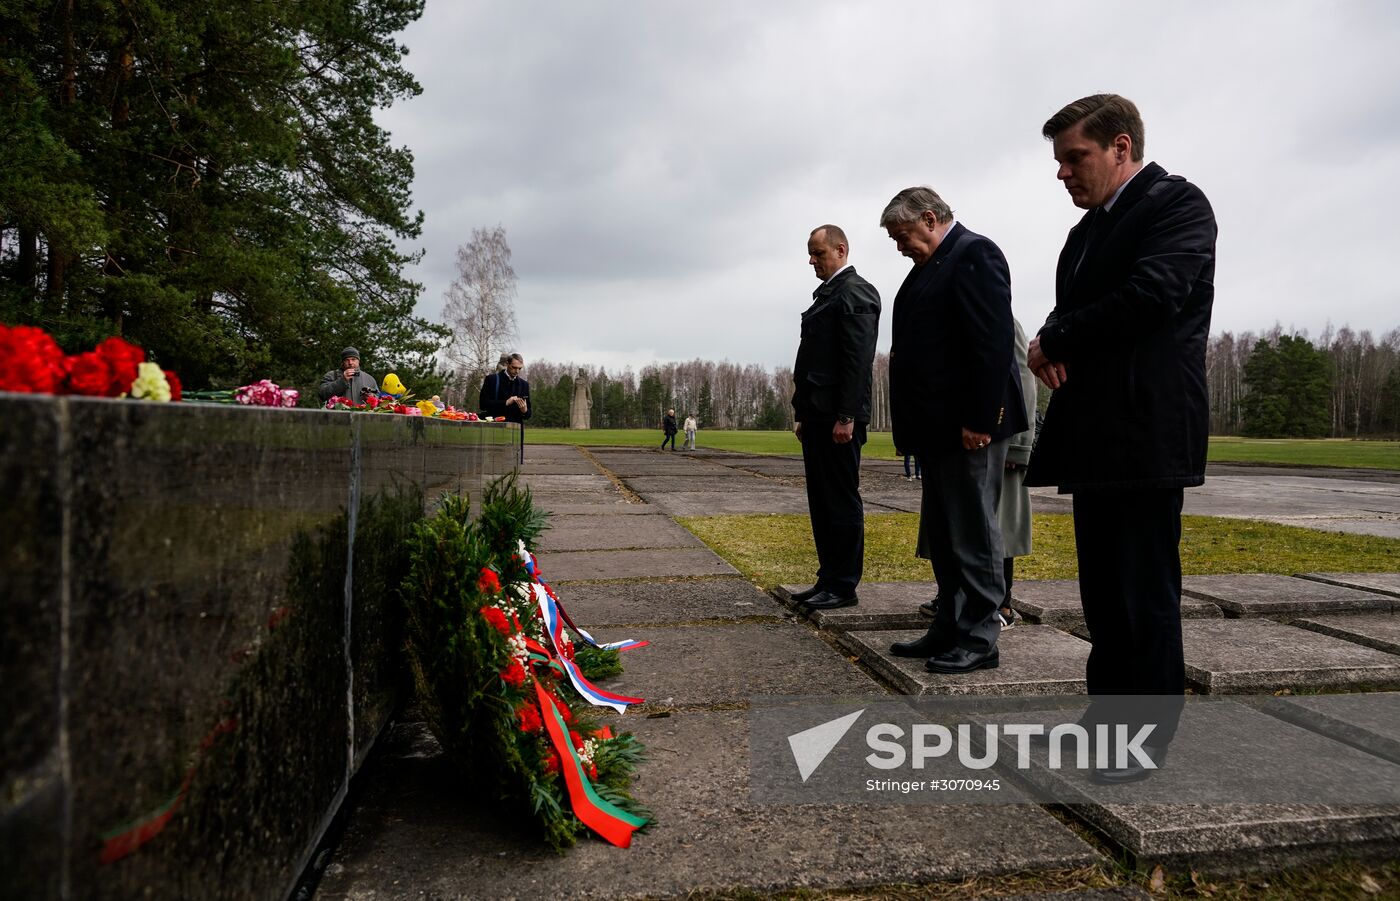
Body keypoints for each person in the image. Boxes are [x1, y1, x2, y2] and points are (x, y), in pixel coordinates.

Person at [1026, 94, 1216, 782]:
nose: (1063, 173)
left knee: (1143, 592)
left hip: (1147, 426)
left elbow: (1153, 292)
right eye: (1059, 161)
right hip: (1095, 430)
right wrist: (1046, 340)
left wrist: (1058, 336)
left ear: (1122, 147)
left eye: (1075, 157)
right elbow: (1066, 311)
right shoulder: (1085, 233)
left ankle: (1142, 740)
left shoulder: (1176, 206)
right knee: (1104, 593)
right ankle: (1104, 722)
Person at [881, 187, 1027, 675]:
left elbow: (991, 343)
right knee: (944, 532)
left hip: (970, 427)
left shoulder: (974, 253)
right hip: (937, 428)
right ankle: (949, 624)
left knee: (974, 531)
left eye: (902, 235)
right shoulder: (929, 268)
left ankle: (982, 634)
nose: (899, 246)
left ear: (928, 218)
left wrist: (981, 421)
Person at [790, 224, 880, 611]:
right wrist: (802, 413)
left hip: (838, 420)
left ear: (841, 250)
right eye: (811, 253)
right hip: (817, 417)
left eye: (818, 253)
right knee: (822, 501)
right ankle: (828, 578)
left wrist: (846, 416)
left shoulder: (855, 292)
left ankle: (843, 584)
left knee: (840, 501)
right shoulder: (829, 294)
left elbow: (856, 361)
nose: (811, 260)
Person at [479, 352, 531, 462]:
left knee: (514, 469)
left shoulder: (524, 385)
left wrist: (524, 410)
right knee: (493, 465)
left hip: (515, 434)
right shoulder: (492, 380)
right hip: (495, 431)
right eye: (514, 367)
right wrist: (505, 403)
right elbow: (482, 404)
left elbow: (528, 414)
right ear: (507, 364)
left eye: (519, 369)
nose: (516, 371)